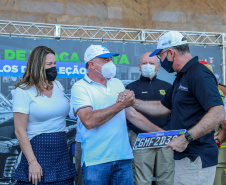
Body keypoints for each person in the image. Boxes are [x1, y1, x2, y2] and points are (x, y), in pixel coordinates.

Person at [121, 31, 225, 185]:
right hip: (185, 156)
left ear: (171, 53)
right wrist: (132, 102)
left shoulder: (198, 73)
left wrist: (186, 138)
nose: (159, 60)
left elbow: (218, 113)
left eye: (160, 56)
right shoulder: (182, 76)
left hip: (196, 156)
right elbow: (162, 107)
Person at [70, 45, 164, 185]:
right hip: (96, 160)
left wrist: (161, 134)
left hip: (123, 158)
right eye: (105, 60)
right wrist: (121, 105)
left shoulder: (117, 83)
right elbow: (88, 120)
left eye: (111, 59)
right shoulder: (80, 87)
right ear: (91, 64)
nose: (110, 63)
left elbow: (132, 115)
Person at [13, 46, 76, 185]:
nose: (53, 67)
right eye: (49, 64)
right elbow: (19, 131)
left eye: (54, 63)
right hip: (37, 152)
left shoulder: (58, 85)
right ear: (37, 66)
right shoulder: (23, 91)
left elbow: (71, 111)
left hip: (61, 151)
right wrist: (32, 162)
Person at [126, 52, 174, 185]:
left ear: (158, 67)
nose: (148, 66)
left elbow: (174, 113)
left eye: (151, 63)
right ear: (139, 66)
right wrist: (147, 132)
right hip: (141, 138)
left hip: (165, 137)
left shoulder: (168, 87)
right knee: (142, 180)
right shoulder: (130, 88)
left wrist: (165, 132)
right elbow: (129, 116)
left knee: (166, 178)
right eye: (144, 63)